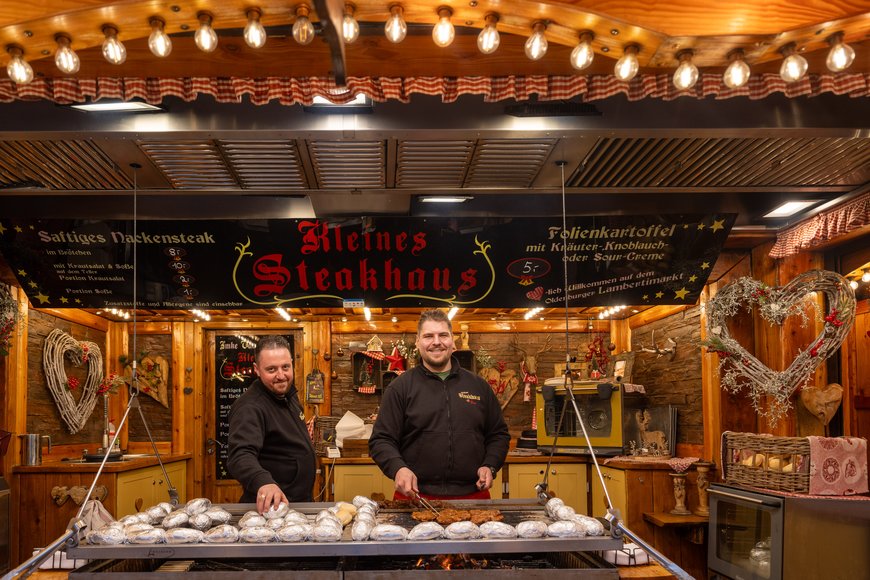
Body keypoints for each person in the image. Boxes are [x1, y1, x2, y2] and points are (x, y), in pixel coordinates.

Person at [369, 309, 510, 500]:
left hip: (473, 496)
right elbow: (381, 440)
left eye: (443, 335)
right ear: (418, 342)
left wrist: (490, 464)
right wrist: (398, 468)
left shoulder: (478, 386)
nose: (436, 342)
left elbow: (498, 435)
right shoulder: (400, 388)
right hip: (415, 497)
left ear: (453, 340)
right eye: (428, 336)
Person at [227, 335, 316, 513]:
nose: (281, 375)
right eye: (271, 369)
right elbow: (240, 455)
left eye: (285, 367)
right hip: (272, 509)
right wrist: (263, 481)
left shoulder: (288, 394)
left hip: (296, 503)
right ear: (257, 370)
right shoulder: (250, 407)